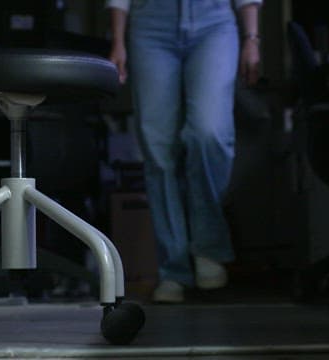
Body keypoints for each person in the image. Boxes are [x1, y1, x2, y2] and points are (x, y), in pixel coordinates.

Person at [107, 0, 263, 303]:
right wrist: (117, 40)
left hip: (214, 20)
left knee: (209, 133)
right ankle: (173, 269)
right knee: (159, 148)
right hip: (151, 23)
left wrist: (252, 37)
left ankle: (208, 246)